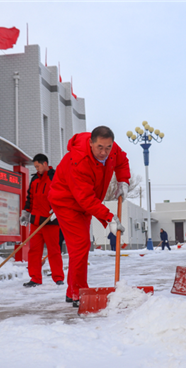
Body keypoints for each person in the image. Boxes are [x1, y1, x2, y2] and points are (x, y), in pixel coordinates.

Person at [48, 126, 130, 307]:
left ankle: (72, 291)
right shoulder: (79, 160)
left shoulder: (112, 150)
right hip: (67, 202)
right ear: (91, 143)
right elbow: (85, 198)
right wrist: (110, 218)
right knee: (80, 244)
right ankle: (78, 292)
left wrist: (123, 180)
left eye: (108, 147)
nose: (104, 152)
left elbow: (122, 161)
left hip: (84, 202)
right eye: (100, 147)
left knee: (81, 245)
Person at [20, 154, 64, 287]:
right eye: (35, 167)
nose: (37, 169)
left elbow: (62, 195)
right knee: (33, 251)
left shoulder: (54, 177)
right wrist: (26, 213)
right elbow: (30, 198)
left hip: (50, 221)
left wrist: (58, 209)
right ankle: (35, 278)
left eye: (38, 166)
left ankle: (58, 277)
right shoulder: (34, 180)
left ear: (45, 164)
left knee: (54, 250)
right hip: (35, 222)